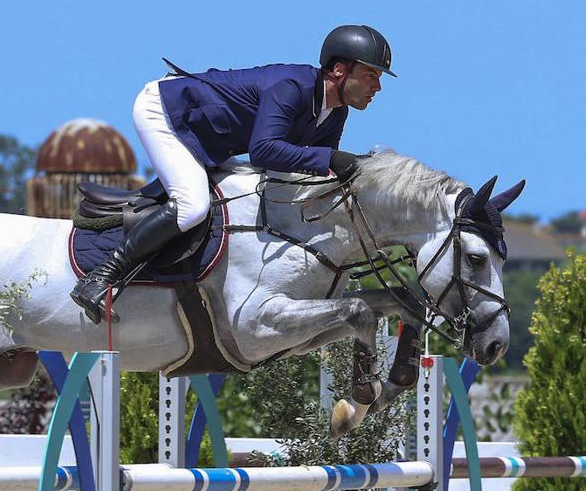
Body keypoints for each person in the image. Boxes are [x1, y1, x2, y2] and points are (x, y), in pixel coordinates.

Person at [70, 24, 394, 323]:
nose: (377, 87)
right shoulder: (292, 87)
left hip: (211, 140)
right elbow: (264, 151)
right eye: (371, 75)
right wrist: (333, 159)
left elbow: (310, 172)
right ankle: (100, 277)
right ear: (339, 70)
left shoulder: (335, 113)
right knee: (192, 206)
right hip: (168, 112)